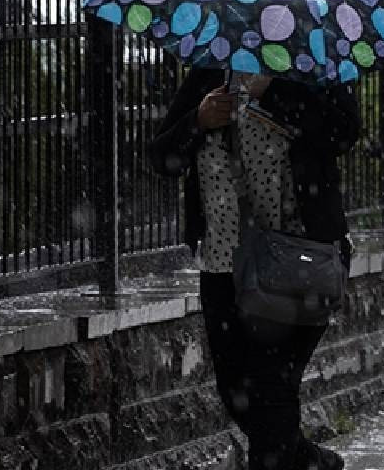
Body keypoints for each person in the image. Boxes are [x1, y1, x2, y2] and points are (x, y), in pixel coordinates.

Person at [149, 68, 360, 470]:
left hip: (297, 262)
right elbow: (163, 157)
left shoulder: (312, 68)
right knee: (236, 393)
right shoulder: (210, 74)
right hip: (222, 264)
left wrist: (275, 92)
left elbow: (344, 133)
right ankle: (312, 461)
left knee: (272, 388)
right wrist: (197, 120)